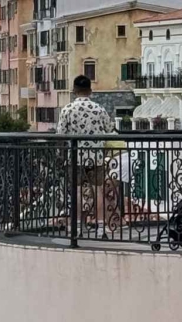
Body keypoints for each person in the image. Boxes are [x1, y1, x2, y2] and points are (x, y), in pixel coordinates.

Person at [57, 75, 118, 236]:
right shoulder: (99, 109)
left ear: (74, 90)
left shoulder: (67, 109)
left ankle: (77, 227)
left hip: (76, 156)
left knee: (77, 190)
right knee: (98, 190)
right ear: (90, 91)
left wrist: (60, 155)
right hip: (96, 156)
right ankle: (100, 227)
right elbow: (109, 129)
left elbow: (60, 134)